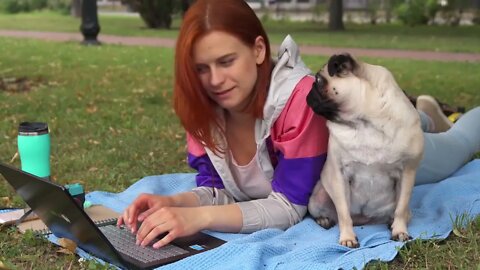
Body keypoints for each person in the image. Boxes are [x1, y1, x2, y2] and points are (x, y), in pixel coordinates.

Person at [118, 0, 480, 249]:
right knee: (411, 114)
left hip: (378, 149)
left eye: (227, 61)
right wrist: (174, 201)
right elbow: (216, 188)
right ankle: (424, 112)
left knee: (461, 143)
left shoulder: (296, 101)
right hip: (344, 138)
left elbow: (289, 206)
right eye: (201, 68)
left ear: (259, 50)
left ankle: (427, 118)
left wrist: (198, 219)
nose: (214, 80)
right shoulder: (205, 109)